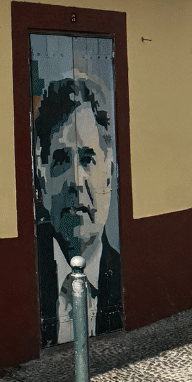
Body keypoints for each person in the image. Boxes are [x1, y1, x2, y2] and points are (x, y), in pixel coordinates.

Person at [33, 76, 123, 346]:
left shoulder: (126, 278)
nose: (76, 181)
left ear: (109, 170)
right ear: (42, 177)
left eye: (87, 159)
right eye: (61, 160)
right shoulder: (23, 280)